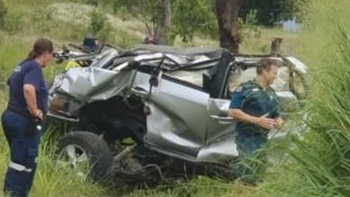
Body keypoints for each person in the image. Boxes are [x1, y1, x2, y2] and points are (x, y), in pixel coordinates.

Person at [1, 38, 54, 197]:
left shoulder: (22, 65)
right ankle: (16, 194)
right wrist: (35, 111)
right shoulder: (34, 67)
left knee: (18, 159)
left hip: (10, 116)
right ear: (46, 54)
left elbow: (10, 83)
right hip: (23, 120)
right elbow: (28, 88)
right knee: (25, 163)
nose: (51, 59)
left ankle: (11, 192)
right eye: (52, 55)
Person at [228, 58, 284, 184]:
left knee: (259, 173)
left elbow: (276, 114)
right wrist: (257, 121)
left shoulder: (271, 92)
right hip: (247, 138)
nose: (276, 77)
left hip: (263, 139)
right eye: (274, 73)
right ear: (264, 71)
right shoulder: (245, 89)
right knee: (247, 174)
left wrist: (280, 123)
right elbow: (233, 111)